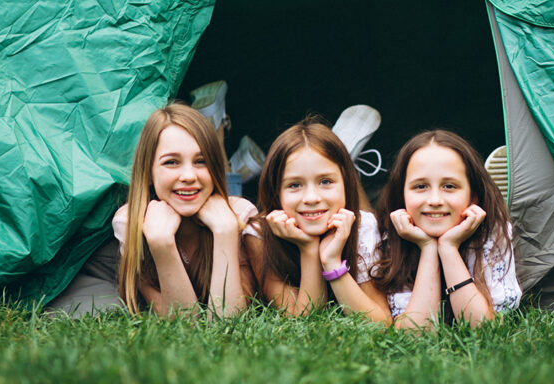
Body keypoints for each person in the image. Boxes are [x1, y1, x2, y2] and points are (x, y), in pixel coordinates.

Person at [113, 103, 256, 316]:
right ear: (149, 171)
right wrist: (162, 243)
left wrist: (225, 231)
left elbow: (228, 320)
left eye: (201, 161)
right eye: (171, 162)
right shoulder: (131, 221)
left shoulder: (239, 215)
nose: (189, 175)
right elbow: (184, 324)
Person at [244, 119, 391, 324]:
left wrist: (332, 262)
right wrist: (309, 249)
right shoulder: (258, 234)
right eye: (294, 185)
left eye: (325, 182)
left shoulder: (365, 227)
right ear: (275, 191)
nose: (311, 198)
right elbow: (302, 318)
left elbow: (381, 323)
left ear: (346, 183)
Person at [371, 130, 520, 327]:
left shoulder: (493, 235)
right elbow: (416, 333)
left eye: (449, 186)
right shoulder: (391, 238)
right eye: (420, 186)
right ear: (402, 194)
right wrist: (427, 247)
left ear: (473, 196)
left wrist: (448, 248)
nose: (434, 200)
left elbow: (483, 328)